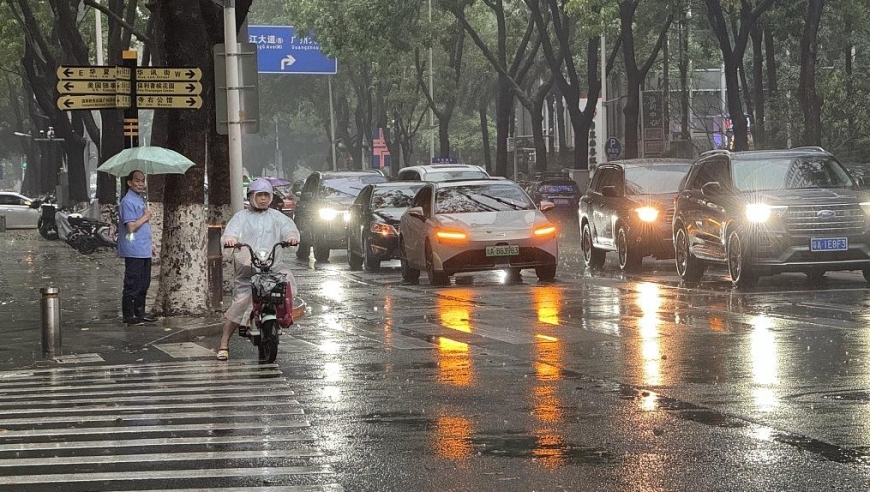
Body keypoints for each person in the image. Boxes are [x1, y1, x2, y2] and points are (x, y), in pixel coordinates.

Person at [219, 178, 300, 361]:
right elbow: (230, 233)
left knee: (286, 283)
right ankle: (224, 343)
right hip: (249, 269)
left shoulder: (277, 217)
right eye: (259, 195)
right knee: (240, 301)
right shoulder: (241, 217)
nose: (263, 199)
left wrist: (292, 237)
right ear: (251, 196)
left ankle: (282, 319)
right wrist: (230, 240)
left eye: (266, 195)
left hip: (273, 267)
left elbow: (290, 230)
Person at [118, 170, 157, 325]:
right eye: (137, 181)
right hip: (134, 249)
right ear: (129, 182)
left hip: (144, 248)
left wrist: (150, 245)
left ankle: (140, 311)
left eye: (143, 181)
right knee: (133, 282)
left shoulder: (139, 200)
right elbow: (131, 227)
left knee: (144, 282)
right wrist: (146, 217)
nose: (141, 184)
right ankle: (129, 314)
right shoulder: (127, 202)